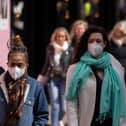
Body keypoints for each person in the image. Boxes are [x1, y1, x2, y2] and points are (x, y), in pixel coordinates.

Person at [66, 26, 126, 126]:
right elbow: (71, 103)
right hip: (88, 122)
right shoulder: (75, 70)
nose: (95, 44)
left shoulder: (115, 66)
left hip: (111, 122)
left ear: (104, 44)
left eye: (98, 41)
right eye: (91, 41)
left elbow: (123, 96)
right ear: (86, 44)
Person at [0, 37, 48, 126]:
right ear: (7, 64)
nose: (16, 68)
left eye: (20, 65)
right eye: (12, 64)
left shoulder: (35, 87)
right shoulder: (1, 83)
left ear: (26, 65)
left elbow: (42, 115)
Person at [37, 27, 72, 126]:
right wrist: (41, 77)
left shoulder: (69, 49)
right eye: (58, 36)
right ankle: (54, 124)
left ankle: (59, 119)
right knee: (55, 105)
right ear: (55, 37)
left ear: (65, 38)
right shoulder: (50, 48)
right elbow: (47, 64)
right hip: (52, 79)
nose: (60, 38)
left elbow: (71, 65)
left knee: (64, 107)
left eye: (62, 36)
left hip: (64, 79)